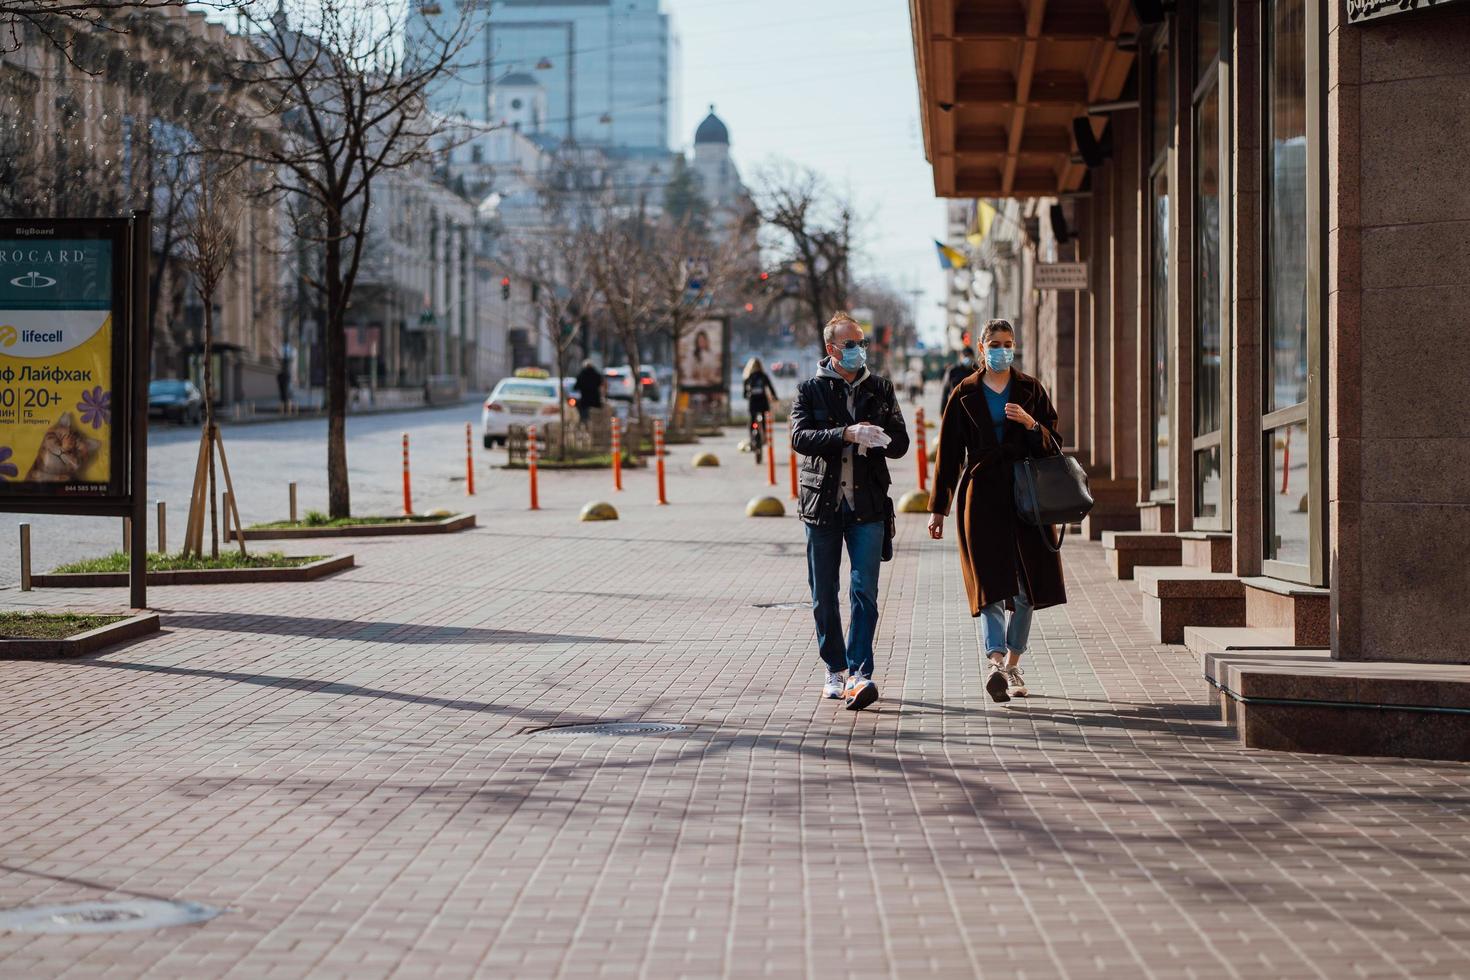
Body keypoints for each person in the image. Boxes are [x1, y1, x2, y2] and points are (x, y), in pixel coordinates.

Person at [926, 318, 1067, 703]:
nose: (1002, 349)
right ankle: (994, 661)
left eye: (1008, 343)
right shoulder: (964, 393)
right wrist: (938, 508)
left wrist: (1031, 423)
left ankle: (1012, 664)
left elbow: (1054, 443)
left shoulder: (1030, 389)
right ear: (982, 349)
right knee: (989, 584)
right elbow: (949, 455)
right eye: (995, 344)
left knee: (1024, 589)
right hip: (981, 495)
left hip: (1026, 498)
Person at [790, 311, 910, 711]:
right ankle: (834, 667)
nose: (859, 349)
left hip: (868, 506)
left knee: (865, 592)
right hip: (821, 505)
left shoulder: (880, 389)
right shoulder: (810, 389)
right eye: (850, 343)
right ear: (831, 349)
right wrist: (845, 433)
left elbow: (902, 443)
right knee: (824, 594)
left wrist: (881, 439)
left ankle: (859, 673)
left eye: (862, 342)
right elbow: (800, 437)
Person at [742, 356, 778, 435]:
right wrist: (774, 396)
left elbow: (744, 393)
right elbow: (770, 387)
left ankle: (752, 437)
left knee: (752, 419)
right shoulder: (763, 376)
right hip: (763, 401)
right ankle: (764, 435)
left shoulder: (748, 377)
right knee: (764, 418)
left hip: (753, 401)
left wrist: (746, 396)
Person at [941, 345, 977, 410]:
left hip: (973, 408)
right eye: (965, 356)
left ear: (973, 357)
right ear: (961, 357)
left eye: (969, 356)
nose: (967, 358)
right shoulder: (953, 371)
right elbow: (945, 391)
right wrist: (943, 411)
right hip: (956, 407)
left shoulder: (977, 371)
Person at [574, 359, 604, 425]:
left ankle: (586, 428)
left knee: (584, 418)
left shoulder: (581, 375)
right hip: (595, 400)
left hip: (585, 400)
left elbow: (576, 387)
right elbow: (600, 383)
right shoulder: (596, 374)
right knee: (596, 419)